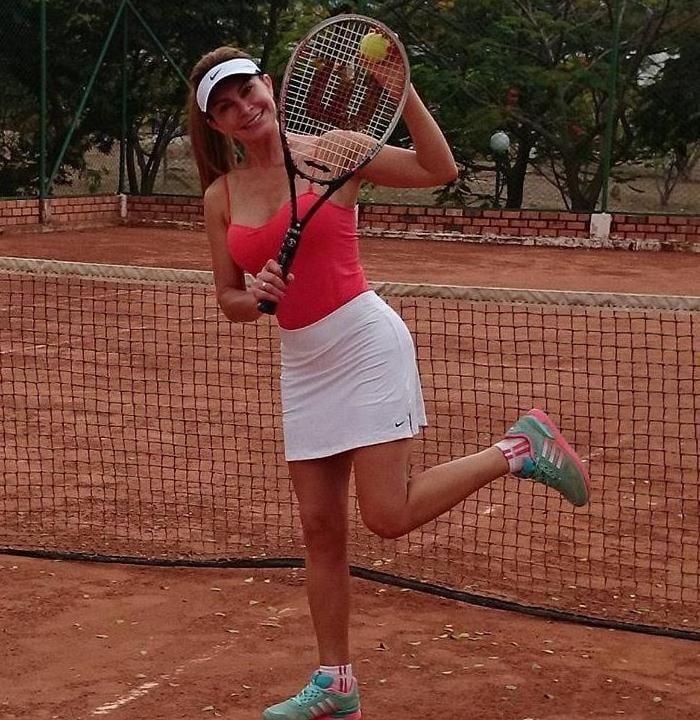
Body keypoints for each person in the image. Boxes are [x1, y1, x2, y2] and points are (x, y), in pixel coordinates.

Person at [187, 45, 590, 720]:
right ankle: (335, 684)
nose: (243, 109)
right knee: (320, 530)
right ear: (216, 124)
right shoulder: (220, 197)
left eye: (247, 91)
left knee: (387, 515)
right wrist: (253, 296)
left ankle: (520, 447)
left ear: (269, 86)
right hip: (302, 364)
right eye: (224, 107)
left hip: (365, 343)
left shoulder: (334, 151)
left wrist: (404, 92)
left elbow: (438, 169)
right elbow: (227, 297)